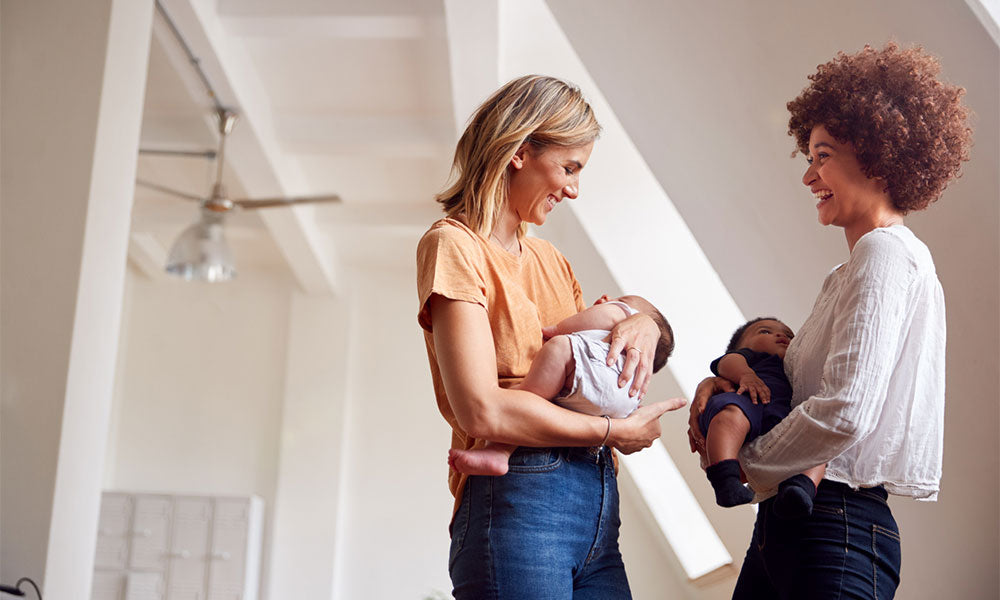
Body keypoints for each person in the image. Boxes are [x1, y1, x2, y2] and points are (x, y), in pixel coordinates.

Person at [688, 43, 971, 599]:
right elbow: (795, 393)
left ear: (877, 155)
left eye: (823, 156)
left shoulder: (885, 255)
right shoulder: (849, 271)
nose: (808, 176)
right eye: (809, 157)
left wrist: (747, 459)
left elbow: (846, 409)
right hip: (788, 527)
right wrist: (722, 385)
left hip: (836, 526)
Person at [417, 75, 685, 599]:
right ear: (519, 151)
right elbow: (482, 412)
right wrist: (614, 431)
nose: (574, 189)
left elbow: (597, 341)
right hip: (517, 502)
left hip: (598, 505)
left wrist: (645, 320)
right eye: (569, 167)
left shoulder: (550, 260)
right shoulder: (453, 246)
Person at [449, 294, 675, 476]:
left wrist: (556, 329)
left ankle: (501, 447)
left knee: (558, 349)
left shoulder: (621, 313)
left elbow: (578, 323)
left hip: (589, 386)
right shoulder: (635, 357)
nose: (607, 299)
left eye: (621, 299)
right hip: (621, 406)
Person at [698, 317, 824, 517]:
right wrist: (746, 375)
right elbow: (728, 362)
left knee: (818, 441)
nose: (781, 335)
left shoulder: (797, 370)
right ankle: (725, 478)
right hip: (748, 401)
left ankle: (800, 489)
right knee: (731, 413)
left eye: (790, 335)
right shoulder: (750, 358)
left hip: (782, 417)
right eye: (765, 331)